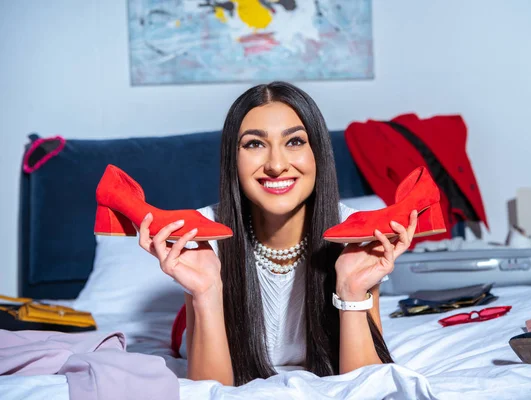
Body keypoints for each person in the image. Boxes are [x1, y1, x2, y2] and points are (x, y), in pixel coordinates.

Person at [137, 81, 418, 386]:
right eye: (254, 144)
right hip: (197, 324)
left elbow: (367, 386)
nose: (276, 165)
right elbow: (210, 391)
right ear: (234, 159)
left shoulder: (353, 231)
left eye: (295, 141)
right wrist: (205, 293)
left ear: (317, 154)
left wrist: (352, 290)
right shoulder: (205, 234)